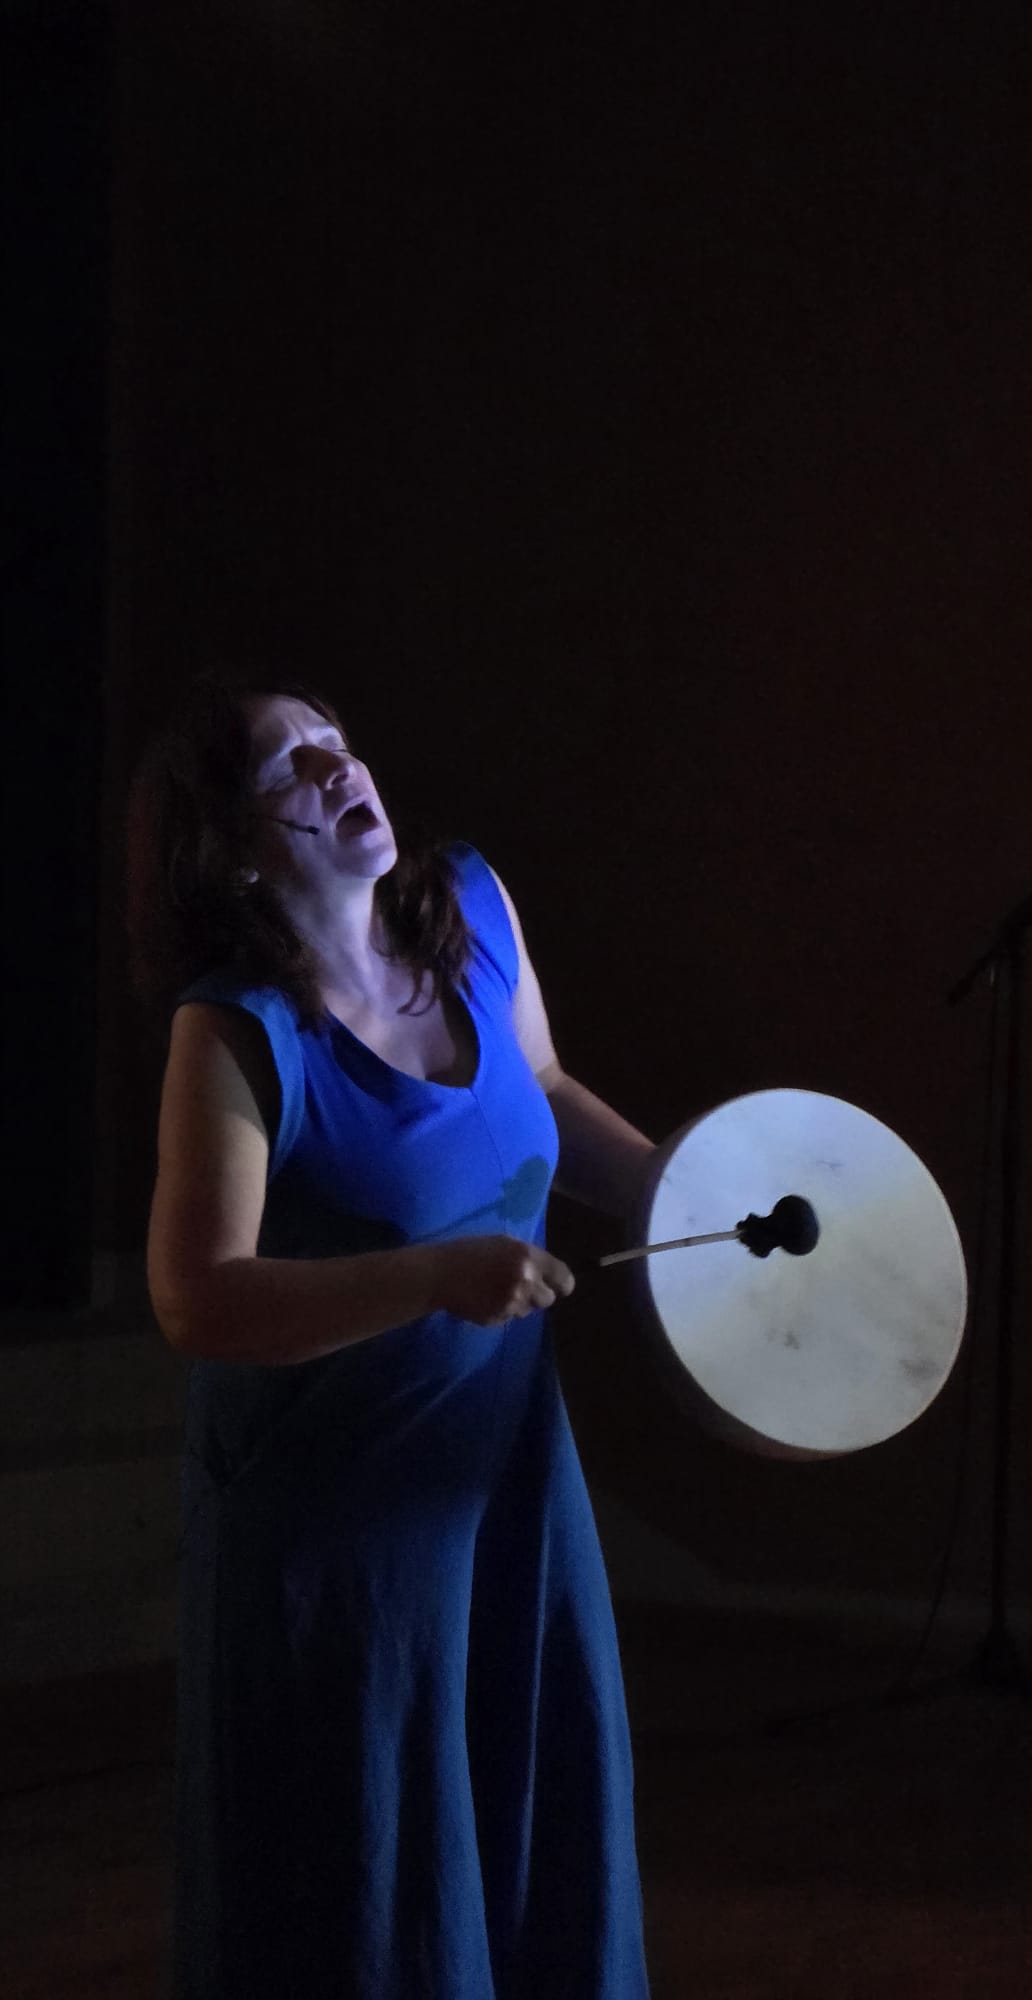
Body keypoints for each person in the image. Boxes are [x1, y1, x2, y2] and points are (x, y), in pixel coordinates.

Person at [128, 677, 655, 2000]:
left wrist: (682, 1184)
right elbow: (197, 1296)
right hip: (339, 1532)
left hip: (501, 1481)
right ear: (232, 850)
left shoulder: (470, 909)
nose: (335, 767)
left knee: (533, 1843)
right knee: (370, 1897)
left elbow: (538, 1085)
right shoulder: (236, 1032)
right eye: (287, 768)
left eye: (334, 742)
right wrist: (426, 1279)